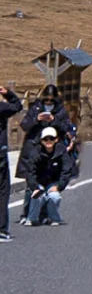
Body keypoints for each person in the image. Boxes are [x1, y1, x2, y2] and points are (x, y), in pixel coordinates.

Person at [17, 85, 73, 224]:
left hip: (52, 149)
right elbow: (24, 125)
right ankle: (26, 213)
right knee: (31, 181)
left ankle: (46, 214)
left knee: (49, 180)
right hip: (33, 147)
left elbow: (67, 128)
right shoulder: (35, 108)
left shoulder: (61, 111)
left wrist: (54, 120)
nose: (48, 102)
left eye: (51, 100)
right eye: (46, 99)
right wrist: (37, 119)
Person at [25, 126, 74, 226]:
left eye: (51, 138)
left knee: (54, 196)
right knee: (38, 195)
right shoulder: (35, 152)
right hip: (39, 181)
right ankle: (32, 218)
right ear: (41, 140)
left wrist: (59, 186)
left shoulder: (61, 151)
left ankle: (54, 218)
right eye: (45, 139)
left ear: (56, 139)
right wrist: (34, 186)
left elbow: (66, 170)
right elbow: (30, 171)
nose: (48, 141)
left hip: (53, 182)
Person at [0, 82, 24, 242]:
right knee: (2, 190)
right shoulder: (1, 108)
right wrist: (8, 93)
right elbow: (17, 106)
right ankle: (1, 229)